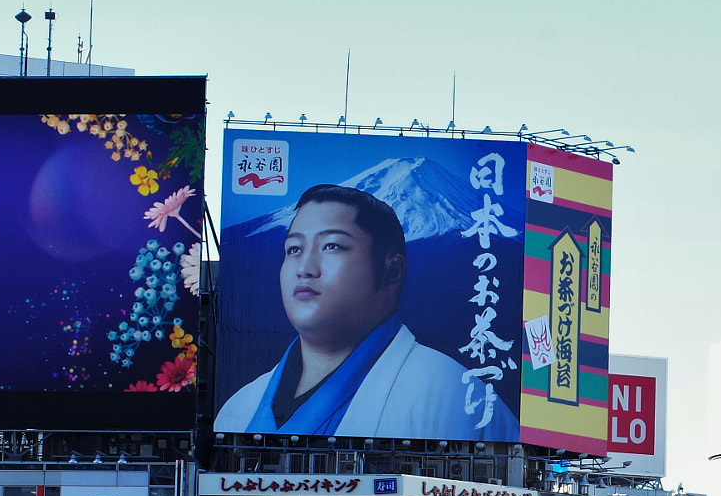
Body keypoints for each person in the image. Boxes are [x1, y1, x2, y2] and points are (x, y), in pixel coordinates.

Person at [215, 184, 519, 439]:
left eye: (332, 246)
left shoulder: (456, 396)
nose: (305, 268)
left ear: (392, 270)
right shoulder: (240, 407)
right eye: (294, 249)